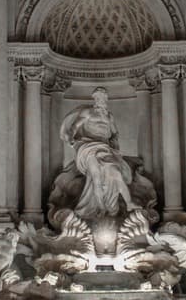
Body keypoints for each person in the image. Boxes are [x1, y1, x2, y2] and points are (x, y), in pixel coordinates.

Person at [59, 87, 138, 219]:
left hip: (105, 148)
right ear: (95, 99)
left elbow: (114, 133)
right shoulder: (88, 112)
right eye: (99, 97)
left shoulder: (109, 116)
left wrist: (115, 146)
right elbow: (74, 127)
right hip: (88, 147)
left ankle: (129, 203)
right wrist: (72, 139)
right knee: (96, 178)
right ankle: (101, 209)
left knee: (116, 173)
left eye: (103, 97)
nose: (101, 100)